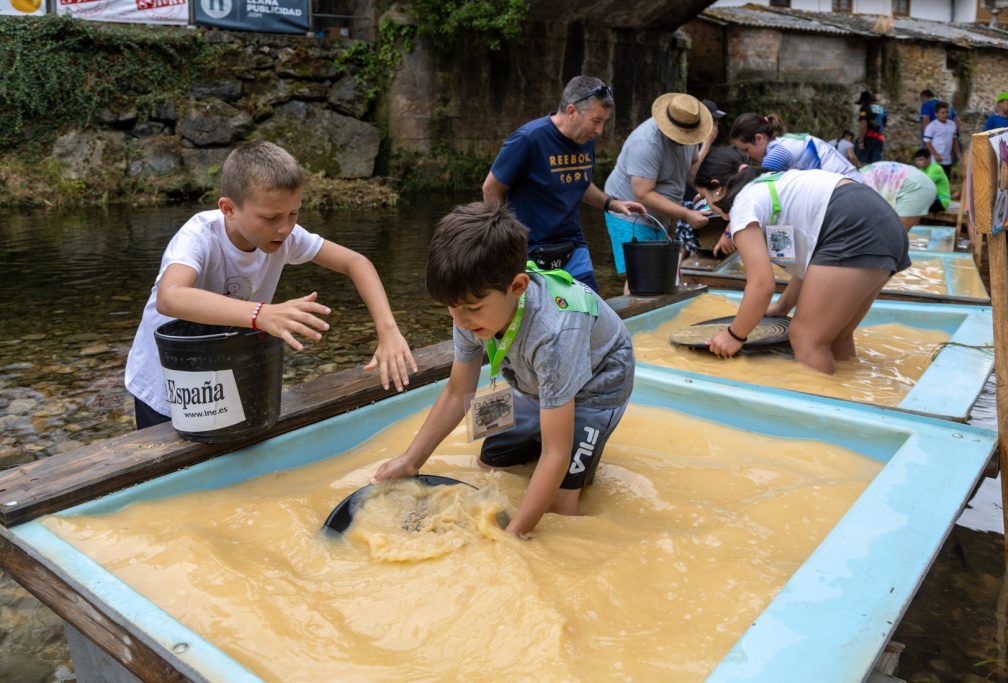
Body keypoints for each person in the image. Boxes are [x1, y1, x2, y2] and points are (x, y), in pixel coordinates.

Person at [372, 202, 635, 537]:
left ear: (517, 287)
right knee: (490, 464)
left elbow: (557, 452)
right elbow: (457, 391)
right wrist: (410, 460)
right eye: (452, 308)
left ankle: (571, 431)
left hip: (597, 385)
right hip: (532, 382)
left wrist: (513, 537)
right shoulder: (468, 309)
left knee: (559, 510)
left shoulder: (554, 334)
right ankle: (544, 420)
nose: (461, 321)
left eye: (472, 308)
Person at [125, 141, 417, 429]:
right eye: (270, 217)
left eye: (294, 213)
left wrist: (388, 330)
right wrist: (260, 314)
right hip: (167, 379)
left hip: (224, 369)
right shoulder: (199, 237)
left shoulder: (286, 236)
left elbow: (356, 263)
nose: (285, 228)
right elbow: (171, 297)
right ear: (228, 209)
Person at [693, 148, 910, 374]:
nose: (709, 207)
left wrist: (733, 335)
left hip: (855, 227)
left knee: (806, 338)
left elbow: (761, 285)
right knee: (836, 336)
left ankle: (817, 405)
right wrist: (782, 307)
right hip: (885, 223)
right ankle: (846, 395)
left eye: (706, 199)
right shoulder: (771, 186)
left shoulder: (743, 204)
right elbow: (807, 268)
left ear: (717, 187)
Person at [482, 76, 646, 293]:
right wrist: (504, 237)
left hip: (572, 242)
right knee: (536, 314)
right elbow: (491, 189)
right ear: (571, 112)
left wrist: (612, 204)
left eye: (604, 122)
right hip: (528, 246)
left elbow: (580, 182)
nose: (600, 131)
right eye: (596, 121)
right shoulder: (528, 139)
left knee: (589, 305)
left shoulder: (584, 140)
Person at [603, 93, 715, 258]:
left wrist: (707, 193)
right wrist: (686, 214)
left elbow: (690, 171)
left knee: (660, 271)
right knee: (640, 273)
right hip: (630, 213)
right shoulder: (646, 143)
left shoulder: (689, 135)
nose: (685, 141)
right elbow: (642, 194)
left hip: (661, 215)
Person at [729, 112, 863, 181]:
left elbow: (757, 187)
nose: (746, 155)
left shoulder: (776, 154)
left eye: (746, 149)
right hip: (855, 182)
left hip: (848, 190)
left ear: (759, 138)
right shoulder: (786, 141)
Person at [859, 161, 939, 229]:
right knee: (897, 232)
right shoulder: (859, 175)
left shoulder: (860, 181)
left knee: (896, 232)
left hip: (916, 187)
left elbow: (871, 210)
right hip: (919, 183)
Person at [923, 101, 960, 180]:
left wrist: (958, 153)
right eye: (942, 113)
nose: (945, 114)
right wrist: (935, 154)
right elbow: (927, 142)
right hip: (936, 159)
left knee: (946, 178)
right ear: (936, 114)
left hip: (947, 158)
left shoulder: (952, 124)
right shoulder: (932, 126)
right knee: (934, 179)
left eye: (947, 112)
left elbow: (954, 140)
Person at [912, 148, 952, 214]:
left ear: (929, 159)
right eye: (916, 160)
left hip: (941, 201)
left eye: (921, 160)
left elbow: (923, 185)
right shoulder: (921, 170)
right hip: (930, 200)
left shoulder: (936, 169)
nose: (918, 162)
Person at [855, 90, 887, 164]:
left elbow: (863, 123)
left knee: (862, 162)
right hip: (880, 138)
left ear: (863, 101)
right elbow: (884, 124)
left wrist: (861, 140)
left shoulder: (864, 108)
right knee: (876, 163)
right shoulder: (882, 109)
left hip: (868, 138)